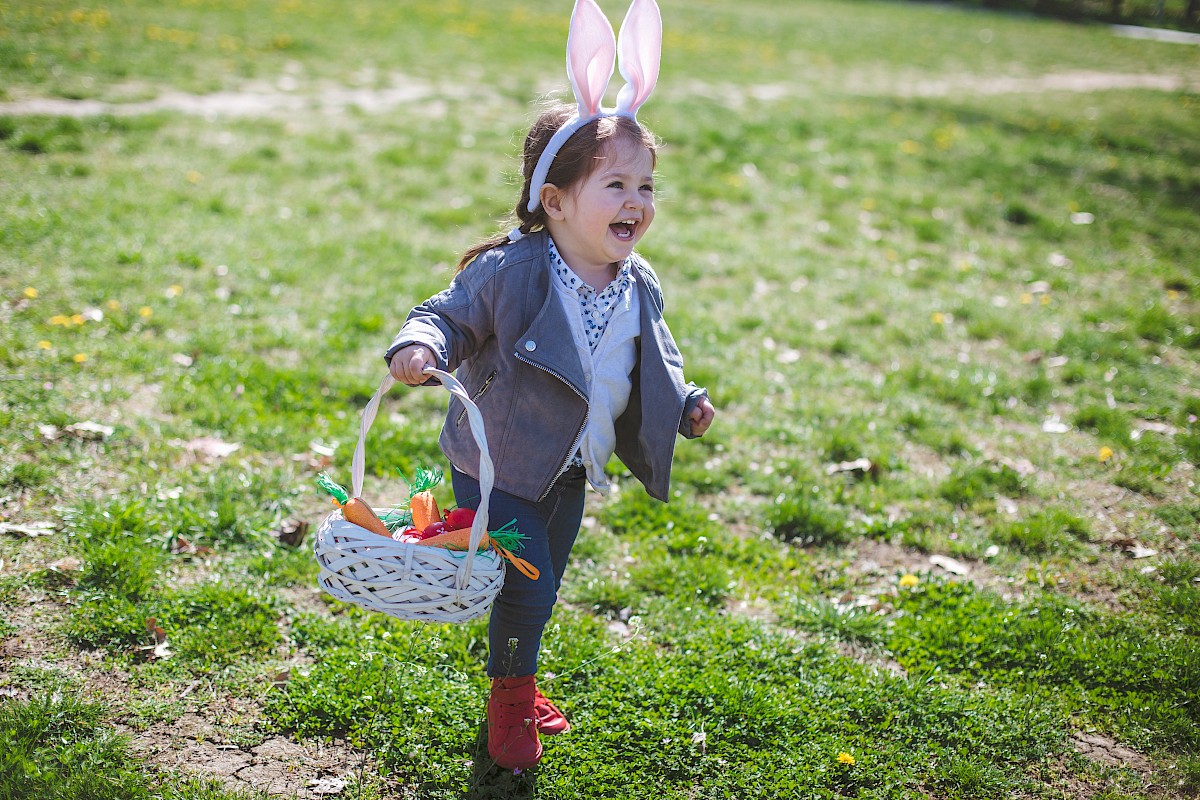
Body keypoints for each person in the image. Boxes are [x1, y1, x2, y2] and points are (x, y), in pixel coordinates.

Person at [384, 0, 714, 771]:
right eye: (616, 185)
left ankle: (517, 676)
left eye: (647, 186)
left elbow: (654, 356)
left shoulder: (637, 283)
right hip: (499, 459)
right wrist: (420, 344)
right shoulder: (515, 270)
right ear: (555, 199)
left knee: (547, 580)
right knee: (526, 586)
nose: (637, 202)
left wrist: (687, 398)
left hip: (571, 464)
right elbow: (447, 313)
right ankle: (509, 708)